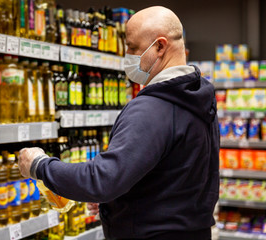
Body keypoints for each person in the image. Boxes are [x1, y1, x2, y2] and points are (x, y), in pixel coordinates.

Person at [19, 6, 219, 240]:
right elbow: (171, 176)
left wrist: (39, 165)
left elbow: (101, 180)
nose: (127, 54)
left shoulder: (152, 109)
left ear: (160, 46)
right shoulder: (199, 97)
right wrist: (115, 199)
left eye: (132, 47)